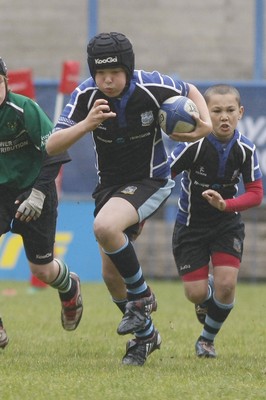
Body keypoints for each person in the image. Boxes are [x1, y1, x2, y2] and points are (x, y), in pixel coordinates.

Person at [46, 31, 212, 366]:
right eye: (100, 73)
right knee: (111, 276)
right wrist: (87, 124)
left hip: (151, 180)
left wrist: (205, 125)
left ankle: (142, 297)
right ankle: (146, 336)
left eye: (115, 73)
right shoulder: (86, 94)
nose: (107, 80)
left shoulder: (150, 85)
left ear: (129, 68)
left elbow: (189, 89)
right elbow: (51, 145)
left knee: (105, 226)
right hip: (110, 188)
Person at [169, 84, 263, 358]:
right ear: (204, 113)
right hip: (191, 225)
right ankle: (205, 292)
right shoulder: (193, 145)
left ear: (240, 113)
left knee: (227, 284)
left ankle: (206, 340)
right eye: (217, 111)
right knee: (195, 294)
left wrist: (226, 205)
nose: (224, 117)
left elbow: (256, 194)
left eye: (230, 110)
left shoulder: (245, 149)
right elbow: (163, 177)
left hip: (226, 224)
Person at [0, 57, 83, 349]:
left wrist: (37, 194)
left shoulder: (24, 109)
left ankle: (69, 287)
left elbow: (56, 153)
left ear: (6, 82)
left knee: (42, 270)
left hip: (35, 189)